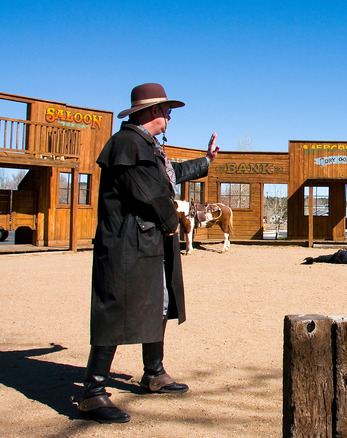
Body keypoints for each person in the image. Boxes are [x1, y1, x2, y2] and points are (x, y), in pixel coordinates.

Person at [79, 83, 219, 424]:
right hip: (127, 246)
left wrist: (206, 161)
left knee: (159, 303)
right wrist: (173, 220)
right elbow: (150, 192)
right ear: (154, 112)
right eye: (167, 111)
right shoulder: (127, 144)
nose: (170, 117)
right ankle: (93, 393)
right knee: (115, 309)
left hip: (146, 243)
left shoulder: (147, 146)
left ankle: (153, 373)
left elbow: (167, 178)